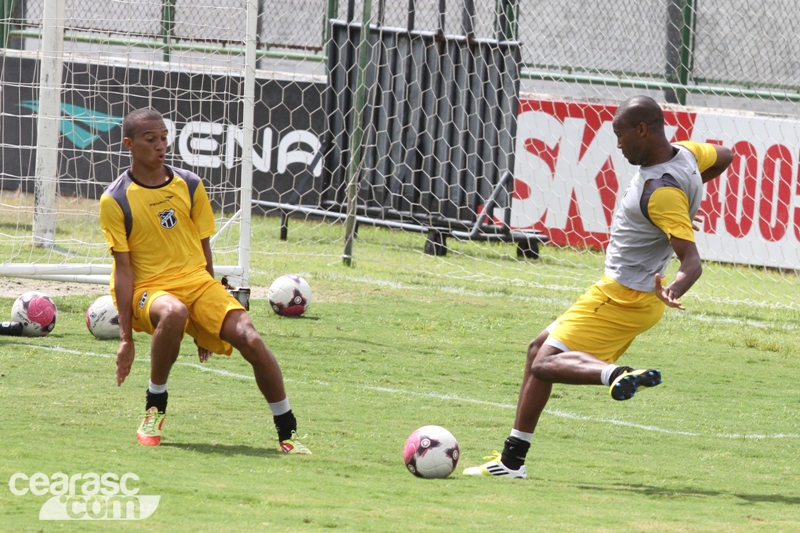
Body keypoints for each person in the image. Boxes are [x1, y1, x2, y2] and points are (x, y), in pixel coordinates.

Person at [464, 96, 733, 478]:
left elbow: (693, 262)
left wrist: (674, 288)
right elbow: (726, 155)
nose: (618, 145)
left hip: (623, 296)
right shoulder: (687, 154)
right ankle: (512, 462)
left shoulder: (661, 192)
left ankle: (616, 374)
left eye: (620, 135)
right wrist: (691, 198)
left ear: (642, 130)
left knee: (544, 363)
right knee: (537, 350)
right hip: (625, 295)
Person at [99, 108, 310, 453]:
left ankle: (288, 432)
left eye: (164, 138)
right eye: (150, 139)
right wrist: (126, 338)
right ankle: (155, 406)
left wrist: (206, 325)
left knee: (252, 340)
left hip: (197, 284)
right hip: (149, 290)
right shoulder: (116, 199)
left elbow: (203, 251)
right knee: (174, 312)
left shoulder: (191, 185)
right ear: (129, 144)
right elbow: (123, 271)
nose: (160, 145)